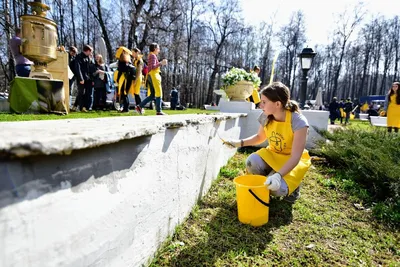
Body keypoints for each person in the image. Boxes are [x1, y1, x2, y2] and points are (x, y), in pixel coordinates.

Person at [224, 82, 311, 203]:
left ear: (278, 104)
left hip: (292, 160)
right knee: (252, 162)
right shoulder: (266, 115)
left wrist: (278, 176)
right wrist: (238, 143)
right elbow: (260, 137)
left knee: (276, 189)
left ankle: (293, 187)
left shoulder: (298, 122)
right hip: (273, 154)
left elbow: (295, 157)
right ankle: (268, 181)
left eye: (264, 102)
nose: (260, 105)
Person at [135, 43, 168, 115]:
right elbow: (153, 67)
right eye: (158, 48)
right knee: (159, 93)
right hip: (154, 76)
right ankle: (159, 111)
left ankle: (139, 107)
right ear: (155, 49)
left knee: (152, 95)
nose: (159, 50)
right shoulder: (153, 56)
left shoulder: (151, 55)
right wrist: (161, 63)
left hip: (150, 76)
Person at [72, 44, 93, 112]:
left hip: (87, 78)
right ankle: (81, 107)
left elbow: (89, 68)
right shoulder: (79, 57)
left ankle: (76, 106)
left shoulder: (88, 57)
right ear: (87, 51)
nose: (91, 53)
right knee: (81, 93)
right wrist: (81, 78)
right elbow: (78, 68)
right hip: (81, 78)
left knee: (84, 93)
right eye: (90, 51)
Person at [114, 46, 135, 113]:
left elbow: (120, 71)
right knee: (124, 93)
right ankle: (126, 107)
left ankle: (126, 108)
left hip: (123, 79)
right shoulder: (128, 61)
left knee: (123, 93)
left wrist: (117, 79)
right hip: (128, 79)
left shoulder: (122, 62)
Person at [132, 48, 144, 113]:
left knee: (136, 93)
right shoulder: (135, 60)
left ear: (137, 53)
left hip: (138, 77)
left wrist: (136, 80)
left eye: (133, 53)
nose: (132, 54)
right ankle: (138, 107)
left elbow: (139, 71)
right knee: (135, 93)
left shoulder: (140, 60)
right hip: (136, 77)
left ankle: (140, 108)